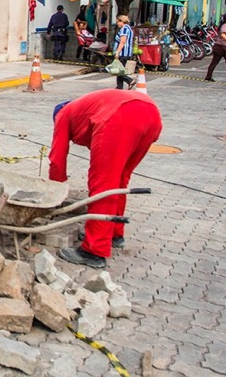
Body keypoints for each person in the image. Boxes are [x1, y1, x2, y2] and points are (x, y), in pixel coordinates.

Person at [49, 90, 163, 268]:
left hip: (120, 116)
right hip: (151, 114)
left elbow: (57, 158)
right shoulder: (87, 107)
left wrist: (54, 191)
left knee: (102, 183)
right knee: (120, 179)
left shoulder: (64, 114)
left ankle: (94, 250)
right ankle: (114, 233)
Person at [113, 15, 135, 90]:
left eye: (118, 22)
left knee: (119, 71)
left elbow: (122, 41)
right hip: (126, 52)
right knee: (120, 69)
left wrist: (117, 52)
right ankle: (119, 87)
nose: (117, 24)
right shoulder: (128, 28)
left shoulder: (124, 29)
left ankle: (130, 80)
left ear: (121, 21)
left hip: (123, 52)